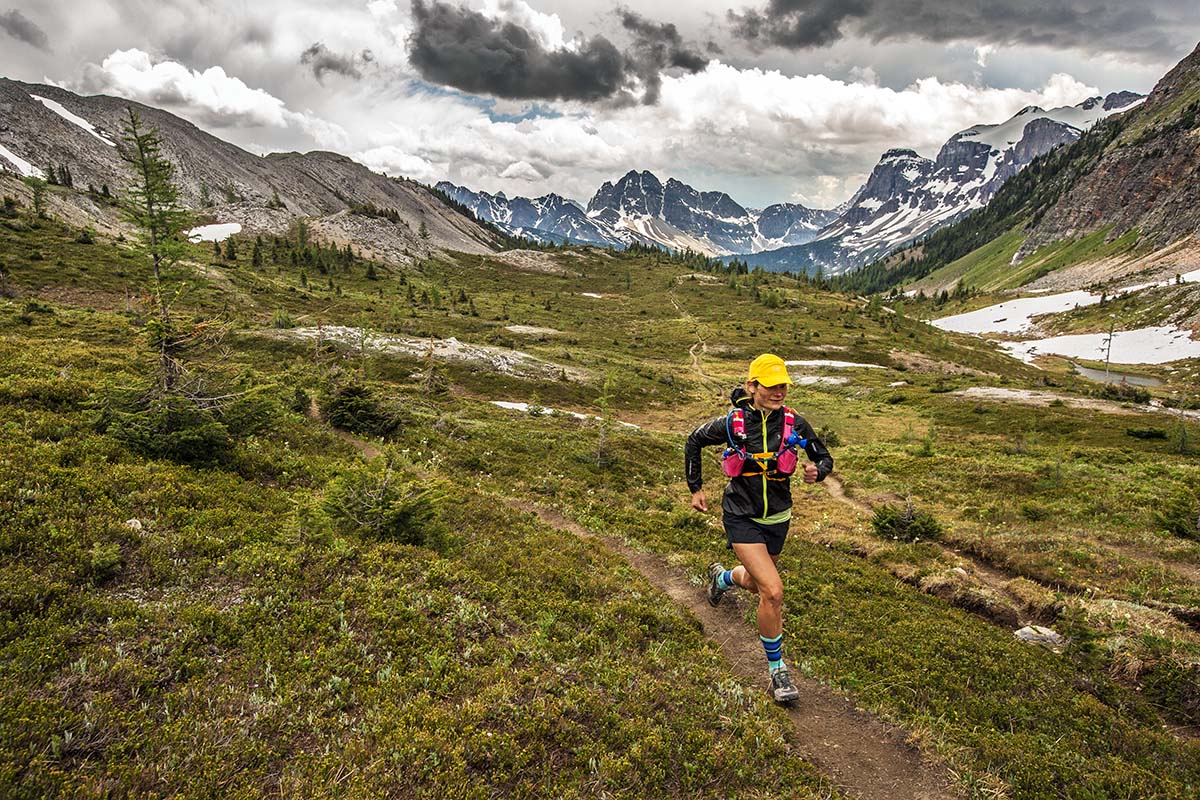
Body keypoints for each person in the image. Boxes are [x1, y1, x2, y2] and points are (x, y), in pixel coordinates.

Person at [684, 353, 833, 703]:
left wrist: (819, 471)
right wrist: (696, 488)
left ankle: (722, 579)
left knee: (755, 584)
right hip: (741, 515)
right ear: (752, 386)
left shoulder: (795, 423)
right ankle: (778, 672)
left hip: (778, 518)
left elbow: (823, 456)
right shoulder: (732, 422)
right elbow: (693, 440)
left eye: (783, 385)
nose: (779, 392)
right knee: (774, 591)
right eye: (770, 386)